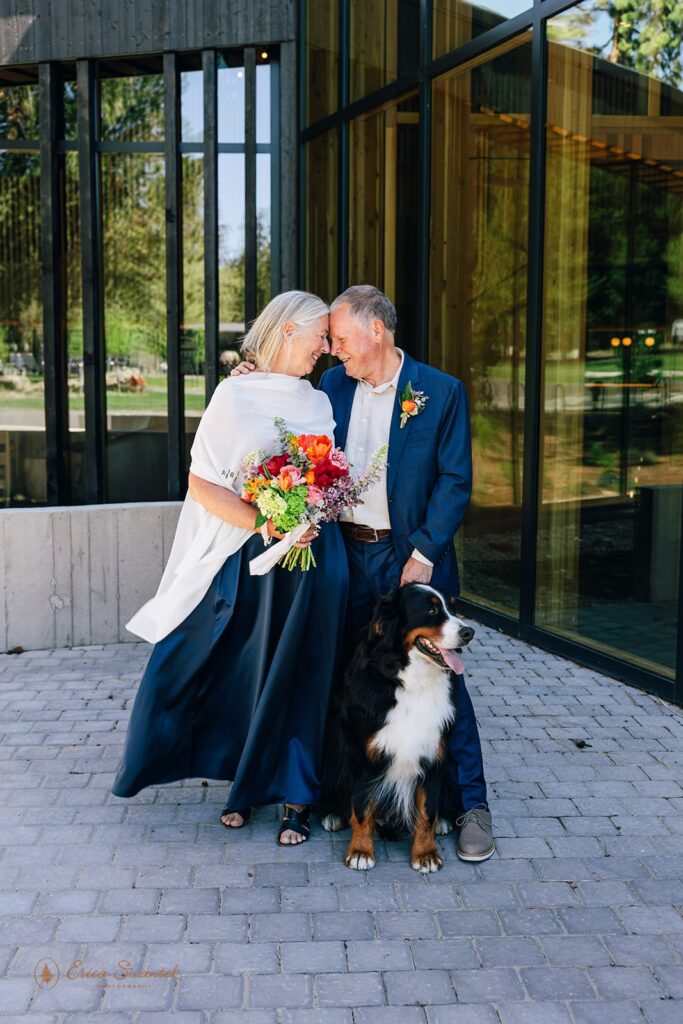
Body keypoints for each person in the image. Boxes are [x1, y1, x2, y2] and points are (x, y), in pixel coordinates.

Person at [234, 284, 494, 861]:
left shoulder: (441, 392)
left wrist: (423, 553)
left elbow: (455, 482)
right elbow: (281, 411)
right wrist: (246, 374)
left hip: (414, 559)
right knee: (340, 677)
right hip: (346, 556)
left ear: (377, 331)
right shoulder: (329, 387)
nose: (335, 351)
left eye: (343, 339)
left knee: (445, 681)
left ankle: (470, 805)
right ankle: (341, 794)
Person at [112, 291, 349, 846]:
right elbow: (201, 484)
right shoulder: (233, 396)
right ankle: (243, 786)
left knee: (305, 673)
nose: (327, 349)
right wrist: (266, 523)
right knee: (242, 666)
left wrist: (313, 509)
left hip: (315, 556)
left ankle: (298, 798)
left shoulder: (319, 400)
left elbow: (331, 474)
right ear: (289, 330)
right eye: (320, 337)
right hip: (253, 556)